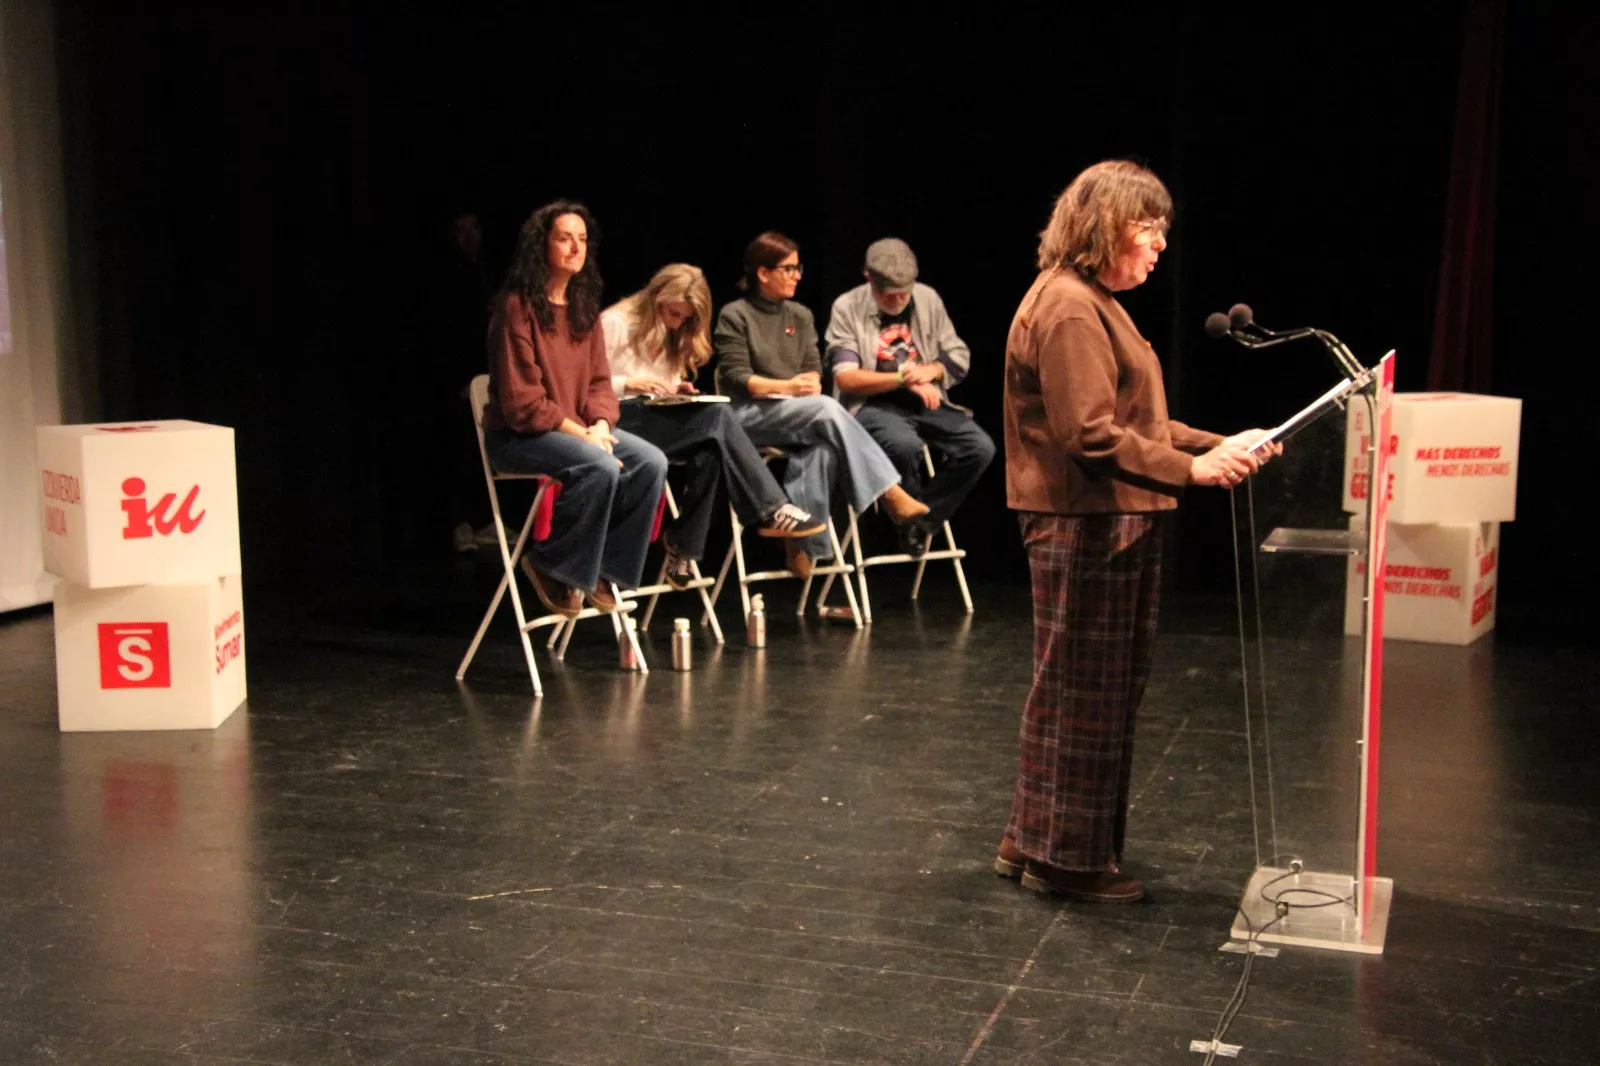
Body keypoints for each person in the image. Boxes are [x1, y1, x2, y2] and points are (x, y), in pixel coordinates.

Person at [996, 160, 1278, 903]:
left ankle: (1030, 838)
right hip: (1088, 524)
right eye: (1148, 229)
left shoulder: (1088, 300)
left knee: (1074, 687)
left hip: (1102, 518)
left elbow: (1135, 422)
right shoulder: (1069, 308)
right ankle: (1066, 861)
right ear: (1106, 225)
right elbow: (1090, 435)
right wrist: (1193, 470)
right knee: (1087, 695)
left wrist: (1218, 444)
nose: (1159, 246)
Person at [483, 200, 668, 618]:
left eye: (582, 239)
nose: (575, 248)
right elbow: (523, 403)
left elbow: (600, 383)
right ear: (542, 245)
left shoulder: (584, 309)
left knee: (651, 461)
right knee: (598, 466)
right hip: (519, 437)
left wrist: (600, 424)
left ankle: (605, 570)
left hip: (579, 432)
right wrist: (584, 435)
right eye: (564, 238)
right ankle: (550, 563)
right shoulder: (516, 307)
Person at [714, 231, 929, 578]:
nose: (797, 276)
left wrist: (811, 381)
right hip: (746, 416)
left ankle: (801, 543)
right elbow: (737, 377)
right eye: (788, 269)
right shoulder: (735, 314)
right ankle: (888, 492)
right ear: (763, 273)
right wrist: (788, 386)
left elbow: (813, 364)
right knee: (827, 409)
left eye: (798, 268)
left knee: (823, 449)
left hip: (796, 414)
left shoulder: (799, 314)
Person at [601, 264, 825, 589]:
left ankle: (683, 545)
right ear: (654, 299)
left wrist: (676, 390)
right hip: (617, 418)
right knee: (718, 417)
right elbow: (586, 384)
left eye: (685, 318)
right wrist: (628, 383)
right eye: (673, 313)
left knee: (711, 450)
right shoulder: (616, 322)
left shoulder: (675, 331)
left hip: (653, 417)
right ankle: (772, 508)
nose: (677, 322)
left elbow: (662, 383)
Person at [826, 238, 996, 557]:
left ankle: (919, 521)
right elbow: (846, 377)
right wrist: (903, 378)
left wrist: (932, 370)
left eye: (905, 291)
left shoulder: (927, 298)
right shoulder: (847, 307)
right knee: (904, 445)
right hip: (873, 405)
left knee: (980, 448)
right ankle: (907, 513)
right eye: (890, 293)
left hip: (926, 403)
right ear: (869, 278)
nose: (900, 299)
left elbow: (958, 355)